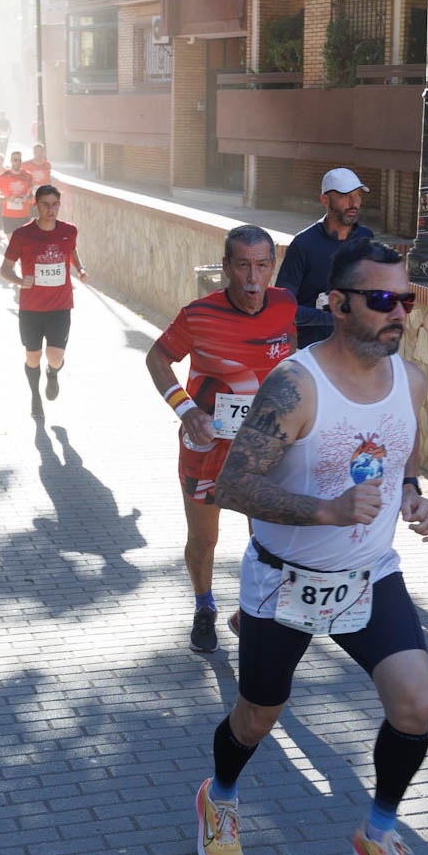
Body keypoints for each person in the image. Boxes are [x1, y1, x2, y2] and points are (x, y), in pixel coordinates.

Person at [192, 239, 428, 855]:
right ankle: (219, 796)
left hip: (369, 574)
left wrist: (413, 493)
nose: (399, 314)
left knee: (415, 705)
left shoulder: (411, 380)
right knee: (257, 716)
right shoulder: (296, 386)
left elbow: (404, 457)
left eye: (406, 300)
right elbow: (232, 484)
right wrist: (324, 509)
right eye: (383, 300)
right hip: (284, 578)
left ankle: (379, 832)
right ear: (337, 303)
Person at [145, 226, 296, 654]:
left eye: (262, 266)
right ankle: (204, 606)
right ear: (227, 266)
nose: (253, 278)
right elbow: (156, 357)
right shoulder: (197, 314)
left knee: (265, 539)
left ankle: (249, 613)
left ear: (272, 267)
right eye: (243, 266)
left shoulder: (284, 305)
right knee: (204, 539)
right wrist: (186, 409)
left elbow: (291, 360)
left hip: (262, 451)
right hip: (206, 448)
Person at [0, 185, 86, 420]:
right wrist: (19, 280)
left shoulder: (69, 230)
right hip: (31, 309)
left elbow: (71, 250)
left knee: (55, 357)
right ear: (36, 205)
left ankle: (53, 373)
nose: (51, 209)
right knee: (32, 357)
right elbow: (4, 268)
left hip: (60, 306)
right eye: (46, 205)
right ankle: (35, 397)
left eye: (55, 204)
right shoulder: (22, 235)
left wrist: (80, 267)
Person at [276, 168, 375, 348]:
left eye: (358, 195)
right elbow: (283, 308)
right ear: (325, 200)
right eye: (345, 196)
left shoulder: (366, 238)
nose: (354, 203)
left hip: (356, 353)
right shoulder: (303, 244)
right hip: (312, 355)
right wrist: (331, 318)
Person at [0, 151, 35, 238]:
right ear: (11, 161)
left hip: (23, 216)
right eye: (15, 160)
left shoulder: (28, 176)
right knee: (12, 245)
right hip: (8, 216)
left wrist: (27, 198)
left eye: (19, 160)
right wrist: (6, 199)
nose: (17, 162)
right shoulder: (3, 176)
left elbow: (31, 194)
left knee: (22, 245)